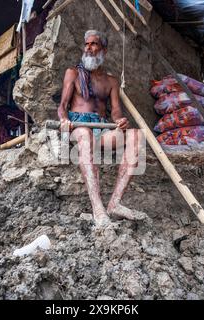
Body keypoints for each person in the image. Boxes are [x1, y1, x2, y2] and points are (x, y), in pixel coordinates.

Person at [57, 30, 146, 226]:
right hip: (78, 125)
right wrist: (64, 121)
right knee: (85, 134)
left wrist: (120, 121)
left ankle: (115, 204)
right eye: (86, 44)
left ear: (103, 50)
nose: (88, 48)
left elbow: (115, 111)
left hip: (102, 128)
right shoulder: (72, 73)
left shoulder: (111, 81)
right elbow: (62, 106)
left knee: (137, 136)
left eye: (94, 44)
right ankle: (98, 209)